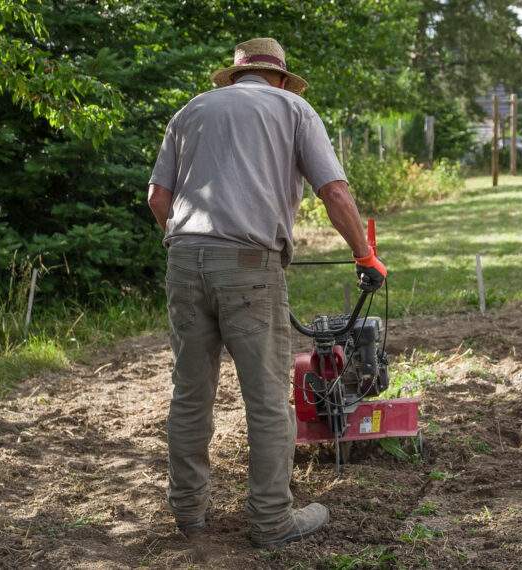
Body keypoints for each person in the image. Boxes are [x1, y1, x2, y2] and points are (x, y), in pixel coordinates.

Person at [145, 37, 386, 548]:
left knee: (190, 395)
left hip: (183, 260)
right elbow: (334, 191)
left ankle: (188, 514)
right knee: (268, 400)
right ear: (279, 77)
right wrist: (365, 254)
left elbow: (157, 197)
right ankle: (272, 520)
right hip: (250, 265)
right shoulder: (293, 109)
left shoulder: (190, 111)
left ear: (236, 75)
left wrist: (189, 243)